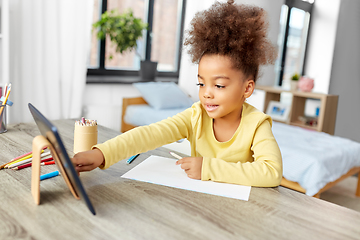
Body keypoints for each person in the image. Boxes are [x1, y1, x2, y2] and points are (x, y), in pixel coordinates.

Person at [72, 0, 282, 187]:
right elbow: (149, 134)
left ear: (247, 88)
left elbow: (271, 172)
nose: (206, 94)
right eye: (201, 84)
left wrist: (208, 169)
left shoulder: (257, 124)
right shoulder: (196, 115)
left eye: (218, 86)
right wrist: (101, 153)